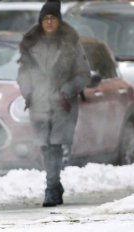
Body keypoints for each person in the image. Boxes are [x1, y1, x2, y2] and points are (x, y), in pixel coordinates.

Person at [17, 0, 90, 207]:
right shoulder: (31, 43)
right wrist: (27, 91)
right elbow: (23, 73)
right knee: (44, 146)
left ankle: (50, 189)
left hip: (62, 103)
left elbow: (83, 74)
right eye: (46, 18)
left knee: (55, 145)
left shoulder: (70, 42)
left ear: (59, 21)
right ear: (41, 21)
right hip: (38, 102)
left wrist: (66, 91)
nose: (49, 22)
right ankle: (55, 185)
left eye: (53, 18)